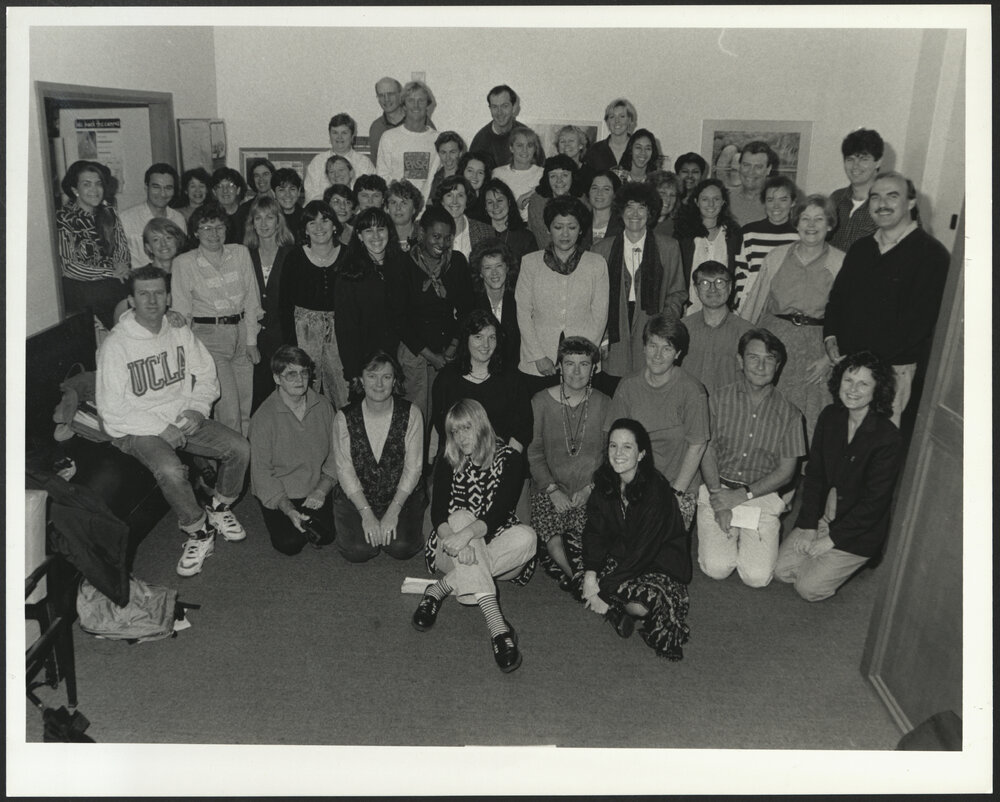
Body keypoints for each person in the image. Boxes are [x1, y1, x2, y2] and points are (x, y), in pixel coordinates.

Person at [97, 265, 250, 577]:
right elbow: (111, 410)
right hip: (135, 427)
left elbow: (207, 374)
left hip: (182, 418)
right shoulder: (116, 344)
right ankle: (198, 531)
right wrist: (160, 428)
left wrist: (196, 408)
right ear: (131, 300)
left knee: (240, 448)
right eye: (144, 294)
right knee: (170, 469)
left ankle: (219, 508)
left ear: (168, 297)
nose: (152, 300)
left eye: (158, 293)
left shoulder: (179, 330)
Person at [413, 399, 537, 674]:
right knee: (459, 516)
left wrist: (467, 538)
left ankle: (438, 589)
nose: (460, 438)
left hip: (494, 543)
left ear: (481, 425)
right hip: (450, 547)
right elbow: (438, 516)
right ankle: (497, 627)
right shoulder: (449, 459)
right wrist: (456, 541)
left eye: (466, 429)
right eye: (455, 432)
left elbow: (498, 515)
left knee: (528, 537)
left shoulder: (511, 459)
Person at [823, 171, 950, 427]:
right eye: (875, 197)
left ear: (911, 203)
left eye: (892, 196)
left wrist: (866, 364)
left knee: (875, 448)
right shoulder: (862, 248)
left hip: (891, 371)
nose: (882, 204)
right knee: (841, 440)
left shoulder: (931, 255)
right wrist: (830, 335)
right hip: (849, 368)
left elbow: (919, 324)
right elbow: (837, 299)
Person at [775, 351, 903, 601]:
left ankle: (858, 560)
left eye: (864, 383)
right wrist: (811, 526)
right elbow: (814, 476)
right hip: (824, 517)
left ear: (877, 389)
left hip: (857, 531)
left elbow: (874, 504)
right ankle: (824, 556)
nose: (853, 389)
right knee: (782, 571)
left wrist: (832, 540)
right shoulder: (830, 416)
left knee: (808, 589)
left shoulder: (888, 438)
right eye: (848, 380)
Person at [696, 328, 806, 587]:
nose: (761, 365)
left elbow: (786, 473)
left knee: (756, 577)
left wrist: (741, 496)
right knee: (717, 568)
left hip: (760, 494)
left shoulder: (790, 414)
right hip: (718, 487)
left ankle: (743, 529)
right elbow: (707, 450)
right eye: (753, 357)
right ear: (740, 361)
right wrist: (720, 499)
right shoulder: (718, 400)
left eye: (769, 359)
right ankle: (730, 528)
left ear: (778, 366)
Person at [581, 418, 692, 661]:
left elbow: (643, 552)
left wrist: (603, 592)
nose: (618, 453)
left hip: (656, 563)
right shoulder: (605, 480)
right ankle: (609, 600)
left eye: (627, 447)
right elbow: (595, 530)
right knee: (568, 546)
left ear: (641, 453)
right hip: (621, 555)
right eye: (613, 446)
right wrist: (591, 574)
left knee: (639, 606)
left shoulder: (656, 490)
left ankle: (617, 607)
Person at [740, 194, 845, 440]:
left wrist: (829, 359)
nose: (811, 225)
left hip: (817, 349)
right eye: (805, 218)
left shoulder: (841, 262)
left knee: (809, 417)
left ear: (829, 225)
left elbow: (850, 318)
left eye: (819, 219)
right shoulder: (776, 257)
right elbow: (755, 305)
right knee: (765, 410)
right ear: (796, 223)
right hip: (774, 342)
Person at [605, 314, 709, 529]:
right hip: (634, 482)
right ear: (643, 347)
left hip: (678, 485)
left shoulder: (692, 390)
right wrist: (624, 487)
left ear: (678, 354)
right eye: (653, 346)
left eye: (667, 348)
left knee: (664, 552)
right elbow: (613, 441)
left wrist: (675, 494)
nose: (658, 355)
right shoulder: (628, 386)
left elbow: (697, 445)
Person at [171, 201, 262, 436]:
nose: (214, 233)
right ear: (195, 232)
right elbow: (182, 312)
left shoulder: (240, 253)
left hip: (242, 334)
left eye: (219, 227)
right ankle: (229, 465)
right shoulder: (184, 263)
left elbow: (252, 299)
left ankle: (245, 468)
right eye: (206, 228)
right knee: (228, 413)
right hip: (209, 338)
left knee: (245, 410)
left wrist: (251, 340)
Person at [527, 336, 610, 591]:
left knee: (590, 541)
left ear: (594, 368)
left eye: (583, 364)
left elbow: (610, 455)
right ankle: (591, 590)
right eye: (569, 364)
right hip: (551, 490)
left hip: (591, 490)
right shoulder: (540, 402)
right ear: (559, 367)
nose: (576, 371)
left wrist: (590, 488)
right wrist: (552, 490)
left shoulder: (605, 403)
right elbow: (534, 452)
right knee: (555, 542)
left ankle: (576, 581)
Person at [332, 349, 427, 563]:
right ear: (361, 380)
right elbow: (344, 470)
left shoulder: (412, 414)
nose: (379, 384)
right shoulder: (343, 418)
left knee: (400, 548)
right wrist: (366, 514)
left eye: (386, 377)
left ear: (395, 381)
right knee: (359, 550)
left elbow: (414, 469)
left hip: (400, 494)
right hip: (359, 495)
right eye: (372, 376)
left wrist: (393, 511)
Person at [385, 205, 475, 431]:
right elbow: (398, 319)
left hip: (449, 350)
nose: (442, 244)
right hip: (414, 351)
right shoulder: (401, 264)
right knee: (416, 422)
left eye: (447, 238)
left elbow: (467, 311)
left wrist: (452, 348)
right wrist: (430, 356)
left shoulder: (456, 262)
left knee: (451, 421)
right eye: (436, 236)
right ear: (421, 233)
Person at [514, 196, 609, 399]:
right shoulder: (530, 263)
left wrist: (581, 360)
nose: (565, 234)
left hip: (582, 364)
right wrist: (538, 356)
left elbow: (599, 316)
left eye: (572, 227)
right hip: (538, 362)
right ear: (548, 229)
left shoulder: (596, 263)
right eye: (558, 227)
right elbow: (523, 312)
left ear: (581, 229)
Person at [248, 346, 337, 556]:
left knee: (326, 536)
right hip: (282, 492)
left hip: (315, 487)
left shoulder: (323, 406)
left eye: (304, 373)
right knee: (289, 544)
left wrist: (322, 490)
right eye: (291, 374)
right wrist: (287, 508)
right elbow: (261, 473)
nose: (300, 380)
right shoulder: (262, 418)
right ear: (277, 379)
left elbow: (337, 454)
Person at [592, 182, 686, 379]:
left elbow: (677, 293)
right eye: (629, 207)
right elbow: (594, 299)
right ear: (620, 211)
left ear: (650, 212)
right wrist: (602, 337)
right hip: (613, 329)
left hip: (653, 327)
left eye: (641, 207)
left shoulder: (669, 247)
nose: (635, 214)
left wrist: (663, 328)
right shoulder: (601, 249)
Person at [431, 309, 531, 462]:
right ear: (466, 339)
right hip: (459, 460)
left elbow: (522, 429)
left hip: (503, 460)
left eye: (492, 337)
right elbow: (444, 428)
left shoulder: (511, 378)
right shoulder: (447, 379)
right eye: (478, 337)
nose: (486, 345)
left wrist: (505, 464)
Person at [279, 199, 350, 408]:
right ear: (305, 230)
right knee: (303, 394)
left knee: (343, 393)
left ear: (335, 226)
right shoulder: (294, 257)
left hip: (341, 335)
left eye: (325, 221)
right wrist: (292, 347)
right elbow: (284, 306)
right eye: (312, 223)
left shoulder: (349, 255)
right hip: (304, 335)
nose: (319, 228)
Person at [56, 159, 131, 329]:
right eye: (87, 184)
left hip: (111, 280)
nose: (94, 190)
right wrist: (110, 272)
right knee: (113, 290)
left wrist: (122, 265)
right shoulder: (63, 218)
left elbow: (121, 248)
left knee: (134, 285)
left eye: (98, 184)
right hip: (78, 283)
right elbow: (69, 267)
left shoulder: (109, 213)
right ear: (75, 190)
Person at [334, 207, 403, 386]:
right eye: (368, 230)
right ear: (359, 236)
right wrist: (353, 371)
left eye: (381, 229)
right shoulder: (349, 272)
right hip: (366, 362)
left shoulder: (400, 265)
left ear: (389, 231)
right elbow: (345, 328)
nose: (376, 236)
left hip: (399, 360)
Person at [244, 195, 295, 412]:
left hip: (283, 336)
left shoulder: (292, 253)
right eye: (258, 218)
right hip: (253, 338)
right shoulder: (244, 254)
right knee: (256, 400)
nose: (264, 224)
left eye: (270, 217)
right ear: (252, 223)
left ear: (278, 221)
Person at [680, 260, 753, 395]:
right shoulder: (682, 329)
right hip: (688, 409)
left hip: (730, 409)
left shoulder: (747, 332)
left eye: (720, 282)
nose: (713, 289)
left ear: (730, 287)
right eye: (705, 283)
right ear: (696, 289)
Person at [732, 175, 800, 311]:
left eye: (783, 200)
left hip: (786, 311)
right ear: (764, 202)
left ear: (793, 202)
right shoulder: (748, 233)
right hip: (751, 308)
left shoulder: (800, 236)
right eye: (770, 200)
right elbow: (741, 276)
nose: (776, 206)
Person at [674, 178, 742, 306]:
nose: (711, 204)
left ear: (723, 202)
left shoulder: (733, 235)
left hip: (724, 307)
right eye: (705, 199)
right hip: (691, 307)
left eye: (716, 199)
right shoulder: (684, 236)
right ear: (696, 202)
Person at [376, 80, 441, 201]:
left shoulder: (438, 139)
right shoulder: (389, 137)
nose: (416, 106)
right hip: (397, 209)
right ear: (404, 106)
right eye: (411, 101)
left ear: (428, 105)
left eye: (421, 101)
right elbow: (382, 177)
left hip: (427, 209)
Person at [119, 163, 187, 268]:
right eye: (156, 187)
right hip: (138, 280)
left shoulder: (178, 219)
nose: (162, 194)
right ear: (146, 187)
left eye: (168, 188)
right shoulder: (126, 219)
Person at [829, 128, 884, 253]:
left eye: (864, 159)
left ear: (878, 162)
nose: (855, 166)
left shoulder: (890, 204)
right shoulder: (835, 198)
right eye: (850, 159)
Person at [470, 238, 521, 367]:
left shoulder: (520, 298)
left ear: (507, 267)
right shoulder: (472, 303)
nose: (494, 273)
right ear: (480, 273)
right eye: (487, 268)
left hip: (514, 369)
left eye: (499, 266)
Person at [304, 113, 376, 203]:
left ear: (353, 136)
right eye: (335, 132)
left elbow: (371, 197)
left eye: (344, 133)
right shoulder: (318, 162)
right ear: (329, 135)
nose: (339, 137)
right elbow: (311, 199)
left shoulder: (364, 163)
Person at [431, 175, 493, 260]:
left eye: (460, 195)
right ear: (442, 201)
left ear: (467, 200)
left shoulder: (485, 231)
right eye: (449, 195)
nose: (455, 201)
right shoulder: (427, 230)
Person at [491, 125, 545, 222]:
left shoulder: (543, 174)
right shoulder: (498, 174)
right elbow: (493, 206)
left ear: (535, 149)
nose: (525, 150)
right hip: (507, 227)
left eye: (529, 145)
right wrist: (517, 206)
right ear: (511, 148)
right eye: (519, 145)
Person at [479, 177, 537, 267]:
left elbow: (532, 271)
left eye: (500, 200)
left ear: (509, 202)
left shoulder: (526, 237)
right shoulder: (478, 235)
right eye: (490, 202)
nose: (496, 206)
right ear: (485, 207)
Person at [526, 154, 580, 248]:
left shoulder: (582, 202)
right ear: (547, 179)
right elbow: (539, 237)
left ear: (573, 177)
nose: (559, 181)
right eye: (553, 176)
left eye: (564, 175)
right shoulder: (537, 202)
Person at [469, 84, 522, 169]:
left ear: (514, 107)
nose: (499, 112)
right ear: (490, 109)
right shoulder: (480, 141)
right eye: (495, 107)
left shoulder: (526, 135)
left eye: (505, 106)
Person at [728, 141, 779, 226]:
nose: (751, 172)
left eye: (758, 167)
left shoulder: (778, 203)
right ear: (739, 167)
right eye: (746, 165)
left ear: (768, 169)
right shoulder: (725, 199)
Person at [583, 98, 638, 173]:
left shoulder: (639, 148)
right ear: (607, 121)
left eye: (622, 116)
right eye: (612, 117)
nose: (617, 121)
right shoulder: (595, 150)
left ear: (629, 120)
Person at [230, 158, 276, 243]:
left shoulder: (280, 206)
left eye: (265, 174)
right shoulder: (244, 209)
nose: (261, 179)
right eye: (256, 175)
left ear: (272, 176)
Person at [368, 76, 406, 167]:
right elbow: (376, 163)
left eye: (390, 94)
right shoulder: (376, 128)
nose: (386, 99)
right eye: (381, 95)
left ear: (400, 95)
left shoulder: (418, 121)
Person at [585, 169, 624, 247]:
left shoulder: (623, 225)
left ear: (614, 194)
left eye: (606, 189)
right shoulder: (580, 222)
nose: (599, 193)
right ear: (588, 192)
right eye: (594, 188)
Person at [209, 167, 248, 244]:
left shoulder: (248, 215)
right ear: (214, 192)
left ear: (238, 190)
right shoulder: (207, 216)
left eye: (230, 185)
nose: (225, 190)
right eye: (219, 186)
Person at [386, 179, 424, 253]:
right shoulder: (380, 237)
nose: (398, 208)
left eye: (404, 203)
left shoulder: (425, 237)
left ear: (414, 209)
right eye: (393, 202)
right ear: (387, 208)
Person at [555, 124, 593, 196]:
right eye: (562, 141)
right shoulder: (552, 171)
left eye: (571, 141)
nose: (566, 144)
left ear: (581, 145)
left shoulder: (590, 174)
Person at [428, 131, 467, 200]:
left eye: (452, 152)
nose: (448, 158)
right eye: (443, 152)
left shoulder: (467, 176)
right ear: (439, 154)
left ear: (460, 153)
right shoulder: (435, 178)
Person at [458, 150, 494, 223]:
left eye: (480, 172)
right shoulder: (454, 197)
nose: (474, 176)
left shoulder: (489, 200)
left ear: (485, 176)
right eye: (470, 171)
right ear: (462, 172)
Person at [271, 167, 305, 245]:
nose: (287, 195)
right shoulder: (269, 218)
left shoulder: (306, 217)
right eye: (281, 190)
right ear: (274, 193)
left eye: (292, 189)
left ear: (299, 191)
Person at [645, 170, 682, 238]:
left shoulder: (679, 230)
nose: (668, 199)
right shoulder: (639, 223)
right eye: (662, 193)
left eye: (672, 195)